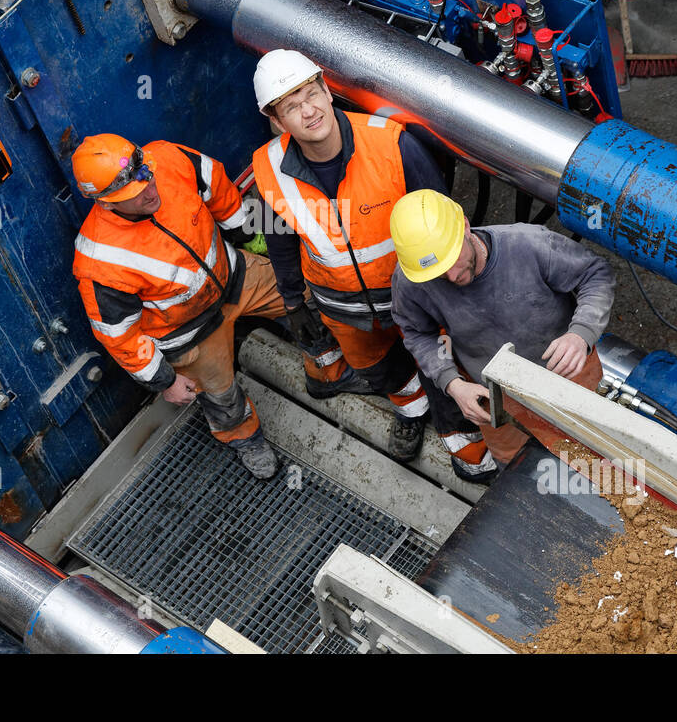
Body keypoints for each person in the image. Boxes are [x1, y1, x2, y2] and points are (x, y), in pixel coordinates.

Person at [249, 50, 493, 482]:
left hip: (418, 298)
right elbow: (279, 239)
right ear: (275, 118)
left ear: (326, 89)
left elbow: (443, 223)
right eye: (291, 106)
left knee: (447, 377)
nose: (308, 112)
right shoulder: (266, 169)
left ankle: (469, 452)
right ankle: (411, 412)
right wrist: (293, 303)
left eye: (311, 94)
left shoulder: (392, 143)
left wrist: (458, 300)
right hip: (342, 309)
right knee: (382, 371)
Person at [72, 133, 348, 479]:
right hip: (188, 334)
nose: (148, 189)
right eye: (133, 193)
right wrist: (164, 381)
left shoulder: (168, 159)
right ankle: (245, 438)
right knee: (221, 396)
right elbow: (119, 337)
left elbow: (215, 183)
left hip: (234, 277)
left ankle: (326, 371)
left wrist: (246, 234)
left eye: (146, 177)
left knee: (308, 297)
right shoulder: (100, 262)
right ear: (105, 202)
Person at [389, 189, 616, 467]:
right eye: (438, 274)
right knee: (518, 465)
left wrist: (580, 335)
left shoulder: (528, 245)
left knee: (592, 451)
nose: (452, 276)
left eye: (452, 260)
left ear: (465, 226)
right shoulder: (413, 280)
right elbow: (416, 332)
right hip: (495, 395)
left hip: (569, 373)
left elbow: (595, 275)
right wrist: (453, 383)